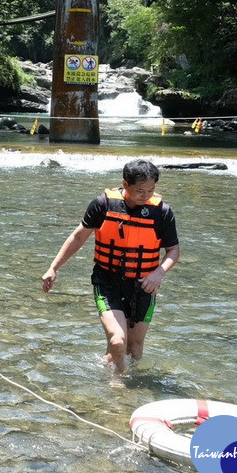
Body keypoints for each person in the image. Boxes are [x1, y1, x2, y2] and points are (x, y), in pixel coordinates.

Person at [41, 159, 181, 374]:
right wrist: (53, 268)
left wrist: (158, 273)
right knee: (118, 341)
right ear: (125, 184)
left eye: (151, 190)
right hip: (107, 280)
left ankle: (110, 371)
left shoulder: (162, 212)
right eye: (140, 191)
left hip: (144, 284)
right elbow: (78, 238)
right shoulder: (103, 205)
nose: (146, 195)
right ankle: (115, 388)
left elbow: (173, 251)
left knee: (133, 349)